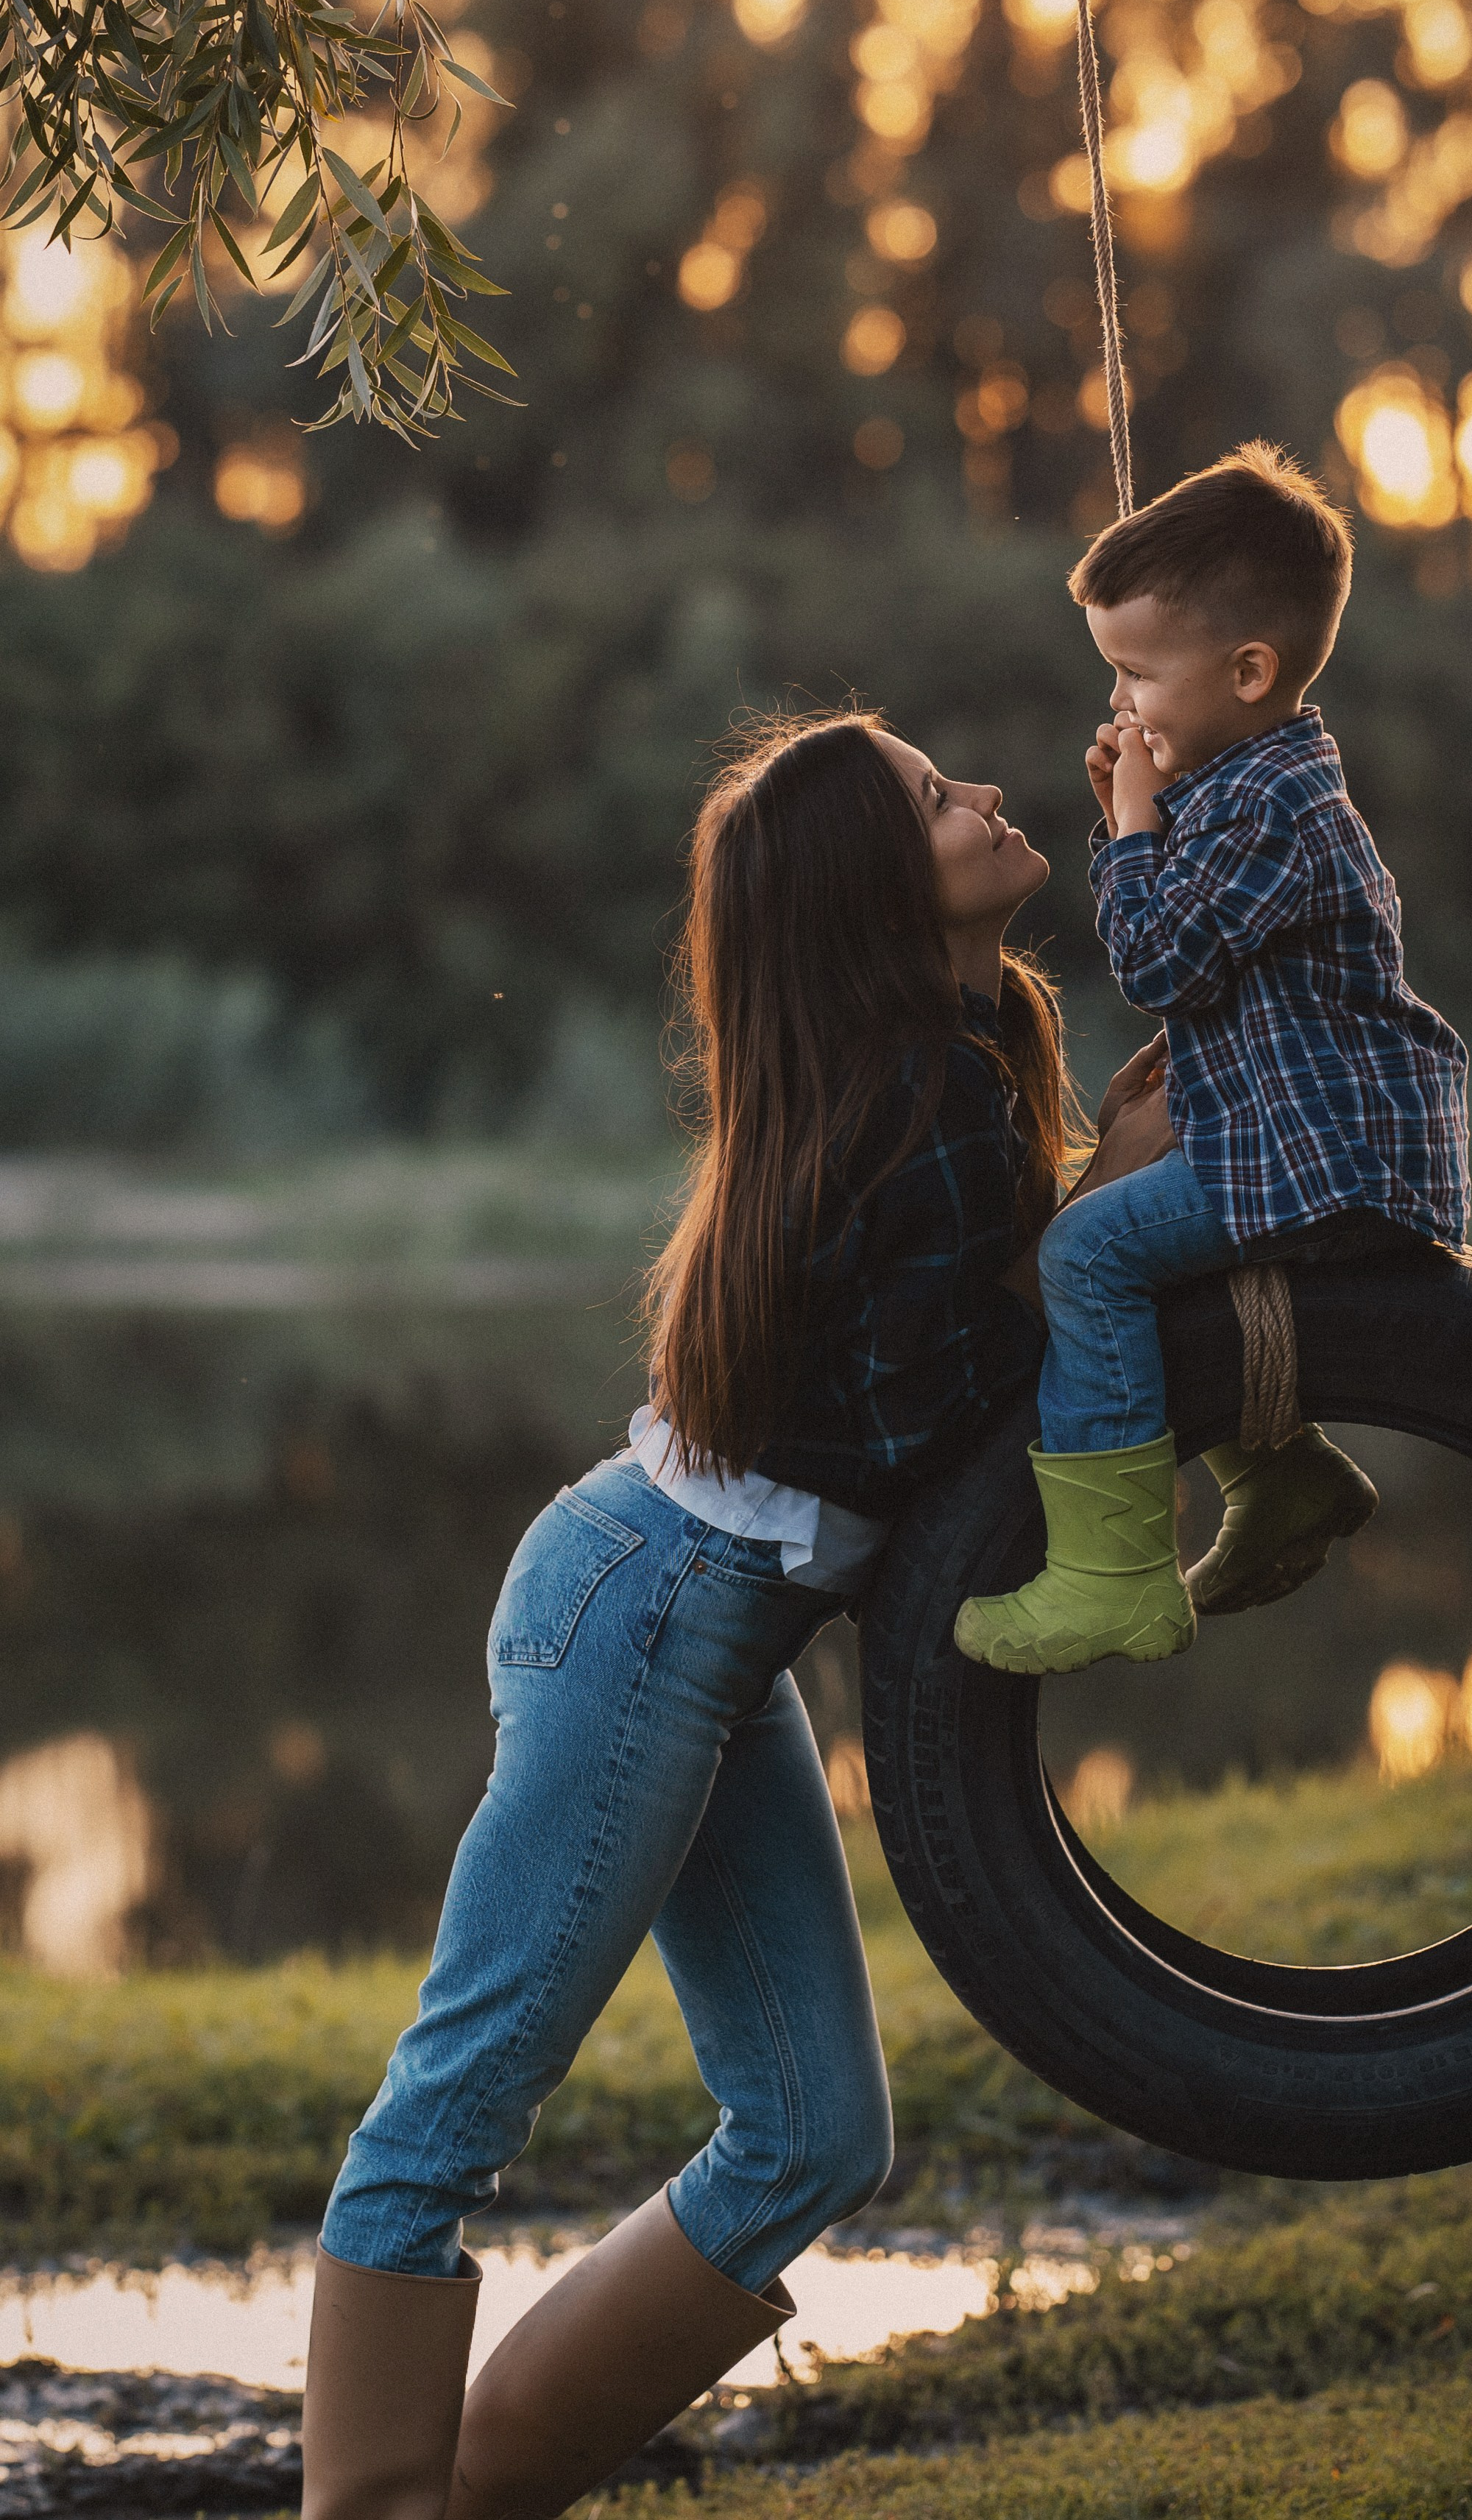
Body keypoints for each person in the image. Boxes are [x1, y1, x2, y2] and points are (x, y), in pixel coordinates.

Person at [299, 711, 1175, 2520]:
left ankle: (460, 2501)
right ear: (872, 886)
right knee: (452, 2110)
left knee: (814, 2139)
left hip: (703, 1612)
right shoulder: (902, 1102)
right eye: (941, 800)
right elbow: (948, 1426)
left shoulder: (956, 1050)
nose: (989, 795)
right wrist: (1112, 1202)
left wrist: (1106, 1183)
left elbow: (964, 1376)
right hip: (645, 1609)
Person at [956, 443, 1471, 1677]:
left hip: (1330, 1163)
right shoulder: (1250, 786)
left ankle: (1112, 1578)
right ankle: (1286, 1478)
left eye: (1137, 674)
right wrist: (1142, 808)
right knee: (1143, 1259)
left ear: (1250, 672)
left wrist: (1133, 826)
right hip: (1310, 1151)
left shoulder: (1273, 808)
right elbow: (1199, 944)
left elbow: (1160, 965)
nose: (1122, 704)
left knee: (1087, 1255)